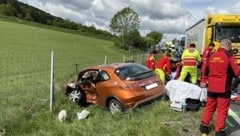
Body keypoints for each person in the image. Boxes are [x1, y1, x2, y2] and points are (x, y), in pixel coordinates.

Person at [199, 39, 240, 136]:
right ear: (229, 46)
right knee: (222, 109)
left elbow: (205, 70)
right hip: (224, 87)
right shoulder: (230, 56)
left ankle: (203, 126)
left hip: (212, 87)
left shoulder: (212, 56)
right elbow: (237, 73)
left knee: (209, 107)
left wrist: (204, 80)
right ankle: (219, 131)